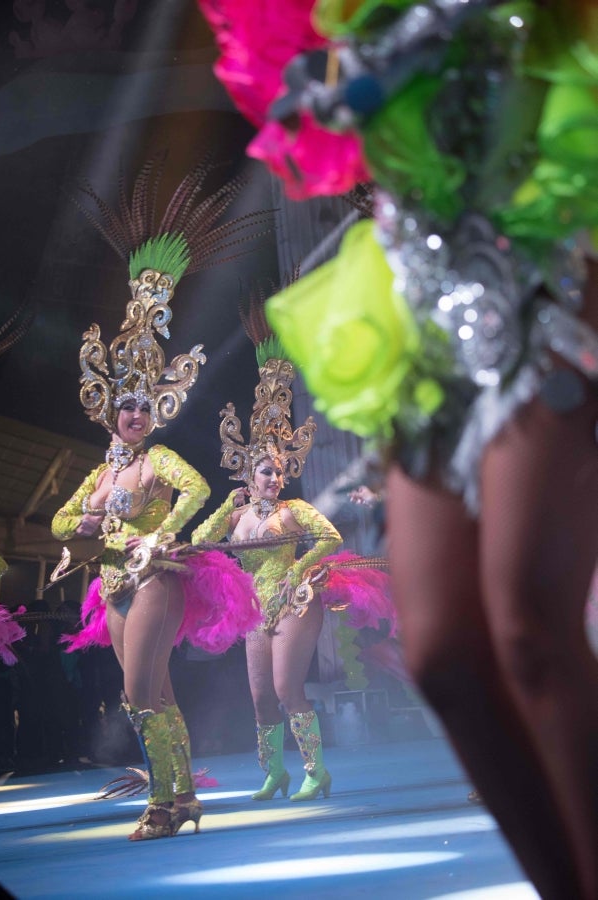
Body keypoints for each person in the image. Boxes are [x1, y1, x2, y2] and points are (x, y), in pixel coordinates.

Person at [196, 1, 598, 896]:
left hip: (554, 266)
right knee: (446, 657)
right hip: (421, 304)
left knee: (530, 624)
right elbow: (315, 123)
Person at [52, 160, 262, 841]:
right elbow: (62, 518)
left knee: (139, 696)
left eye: (145, 407)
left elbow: (199, 489)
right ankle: (180, 800)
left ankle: (162, 805)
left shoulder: (158, 461)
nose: (135, 415)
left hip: (152, 579)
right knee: (157, 696)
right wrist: (86, 519)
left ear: (157, 410)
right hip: (110, 584)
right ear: (110, 411)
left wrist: (159, 534)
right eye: (126, 407)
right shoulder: (103, 471)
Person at [191, 310, 397, 803]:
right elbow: (200, 541)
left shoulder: (295, 509)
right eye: (266, 471)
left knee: (287, 691)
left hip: (295, 598)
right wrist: (227, 506)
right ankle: (273, 773)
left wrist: (300, 569)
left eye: (279, 471)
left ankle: (315, 771)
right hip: (253, 608)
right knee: (261, 698)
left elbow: (328, 538)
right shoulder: (236, 515)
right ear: (248, 474)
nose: (274, 478)